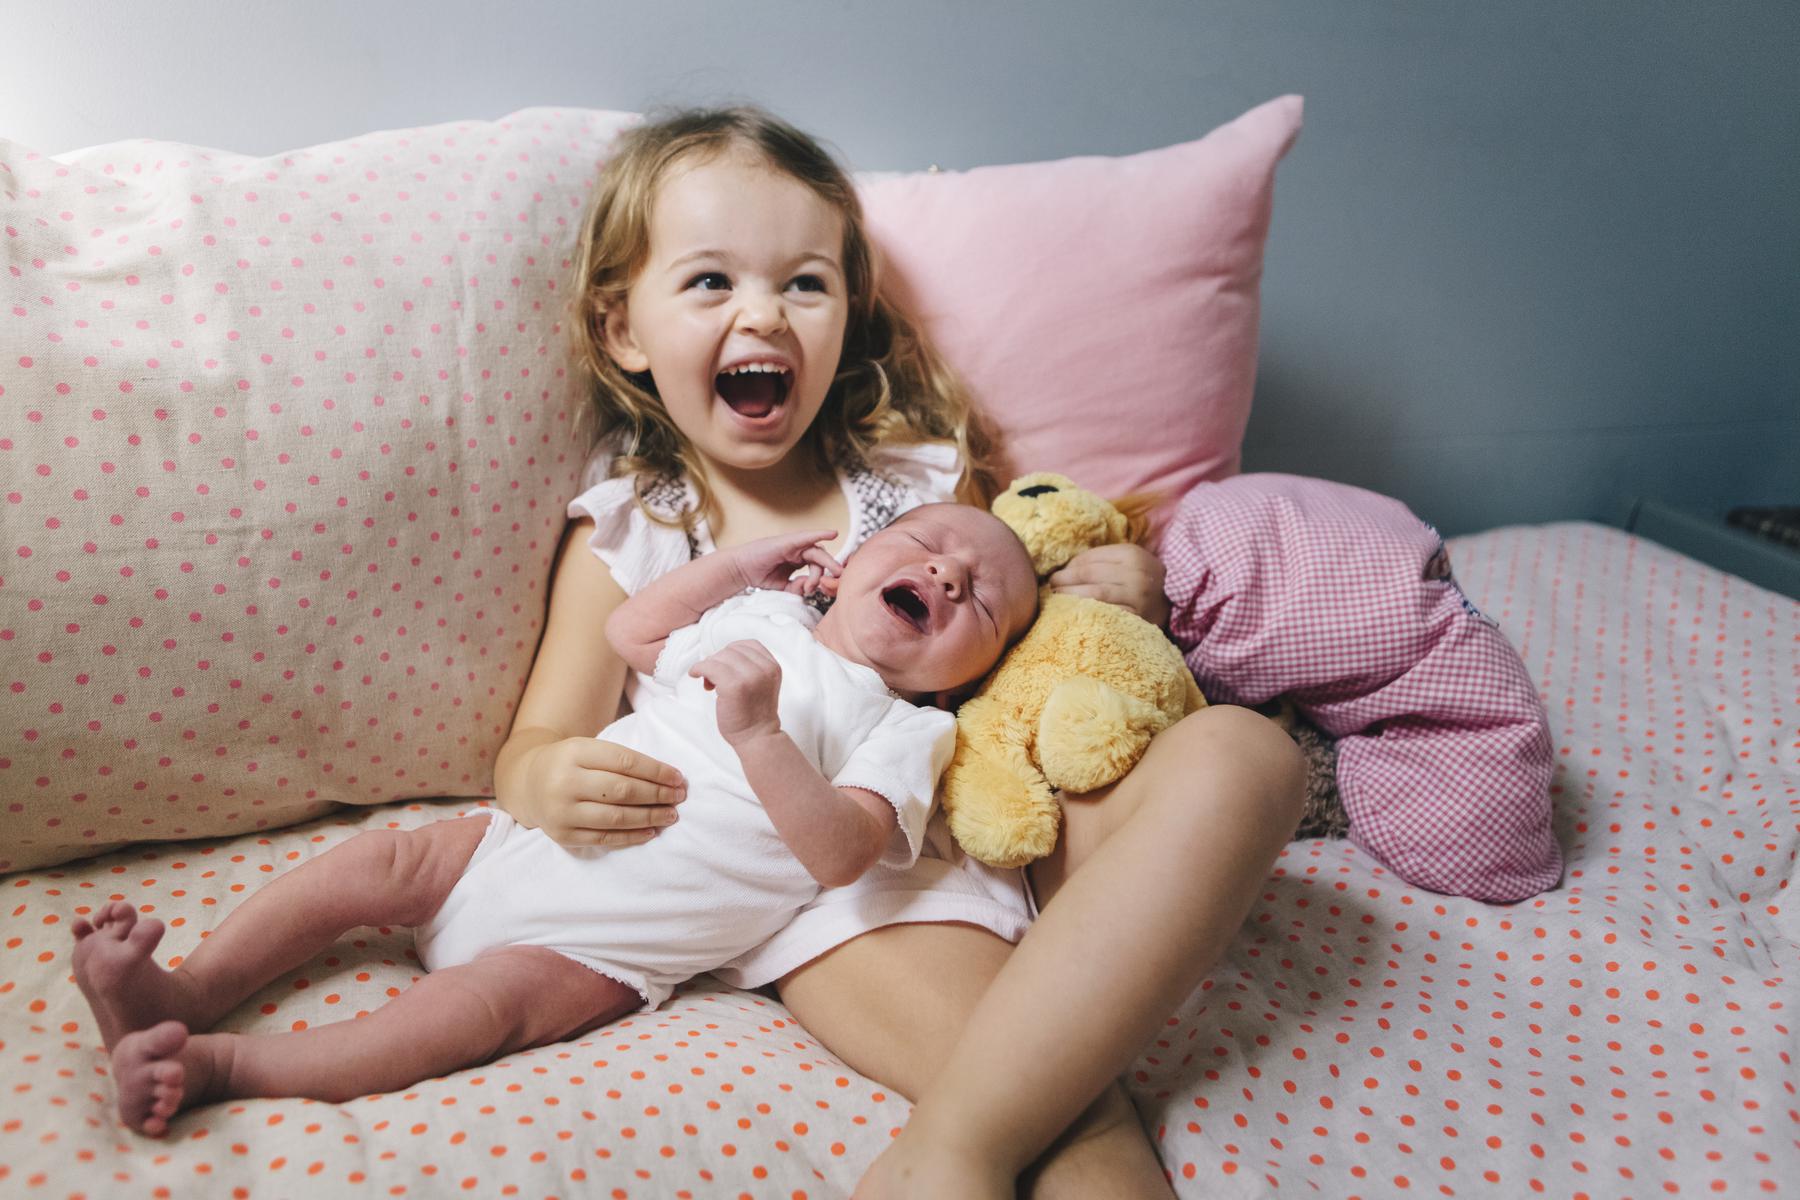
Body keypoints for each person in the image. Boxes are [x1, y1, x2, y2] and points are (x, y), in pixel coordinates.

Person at [493, 106, 1308, 1199]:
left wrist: (1123, 590)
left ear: (849, 313)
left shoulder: (915, 479)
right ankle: (949, 1160)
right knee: (1074, 1117)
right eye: (709, 283)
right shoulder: (638, 529)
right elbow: (534, 740)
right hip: (849, 882)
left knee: (1251, 759)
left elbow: (1019, 636)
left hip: (993, 799)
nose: (764, 316)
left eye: (804, 284)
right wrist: (545, 775)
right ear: (622, 332)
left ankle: (983, 1114)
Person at [70, 507, 1043, 1136]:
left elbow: (842, 855)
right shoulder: (767, 624)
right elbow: (636, 634)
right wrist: (739, 565)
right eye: (926, 542)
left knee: (474, 1014)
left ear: (973, 674)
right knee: (382, 859)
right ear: (850, 560)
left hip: (599, 948)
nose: (951, 575)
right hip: (517, 845)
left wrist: (759, 737)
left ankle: (228, 1065)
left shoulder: (908, 730)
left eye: (984, 601)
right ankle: (187, 992)